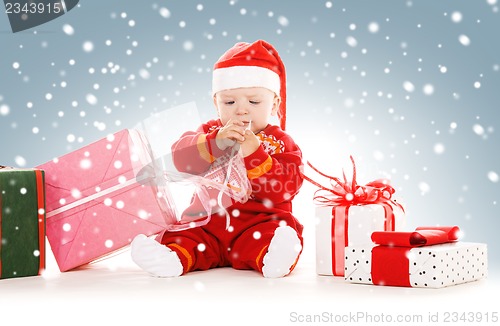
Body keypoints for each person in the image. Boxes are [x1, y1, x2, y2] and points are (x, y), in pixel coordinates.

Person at [130, 40, 304, 278]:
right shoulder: (209, 131)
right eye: (229, 102)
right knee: (186, 236)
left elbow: (286, 189)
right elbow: (179, 161)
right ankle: (171, 258)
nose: (241, 110)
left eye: (254, 102)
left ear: (274, 104)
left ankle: (275, 256)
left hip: (257, 224)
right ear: (216, 103)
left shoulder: (281, 142)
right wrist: (215, 144)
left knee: (275, 233)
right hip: (207, 225)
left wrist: (255, 154)